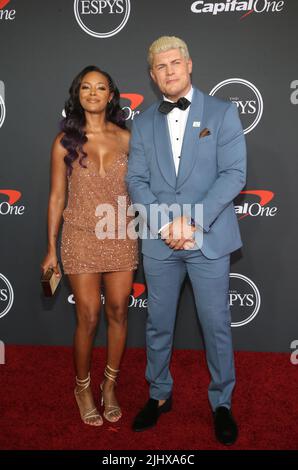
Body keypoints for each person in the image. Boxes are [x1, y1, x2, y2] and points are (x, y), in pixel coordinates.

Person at [126, 36, 246, 445]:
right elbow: (136, 181)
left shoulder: (223, 112)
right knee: (158, 325)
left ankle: (222, 404)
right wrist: (165, 226)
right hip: (160, 241)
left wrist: (191, 224)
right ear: (152, 74)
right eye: (160, 67)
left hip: (207, 237)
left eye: (175, 63)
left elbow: (233, 174)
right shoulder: (141, 123)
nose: (169, 71)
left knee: (215, 326)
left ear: (190, 65)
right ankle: (159, 396)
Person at [41, 65, 138, 426]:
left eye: (101, 87)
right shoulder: (64, 141)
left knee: (118, 311)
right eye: (86, 87)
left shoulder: (128, 139)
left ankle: (109, 385)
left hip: (121, 233)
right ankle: (82, 387)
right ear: (77, 94)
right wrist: (51, 248)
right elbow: (56, 197)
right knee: (88, 316)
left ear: (111, 95)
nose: (93, 93)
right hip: (80, 235)